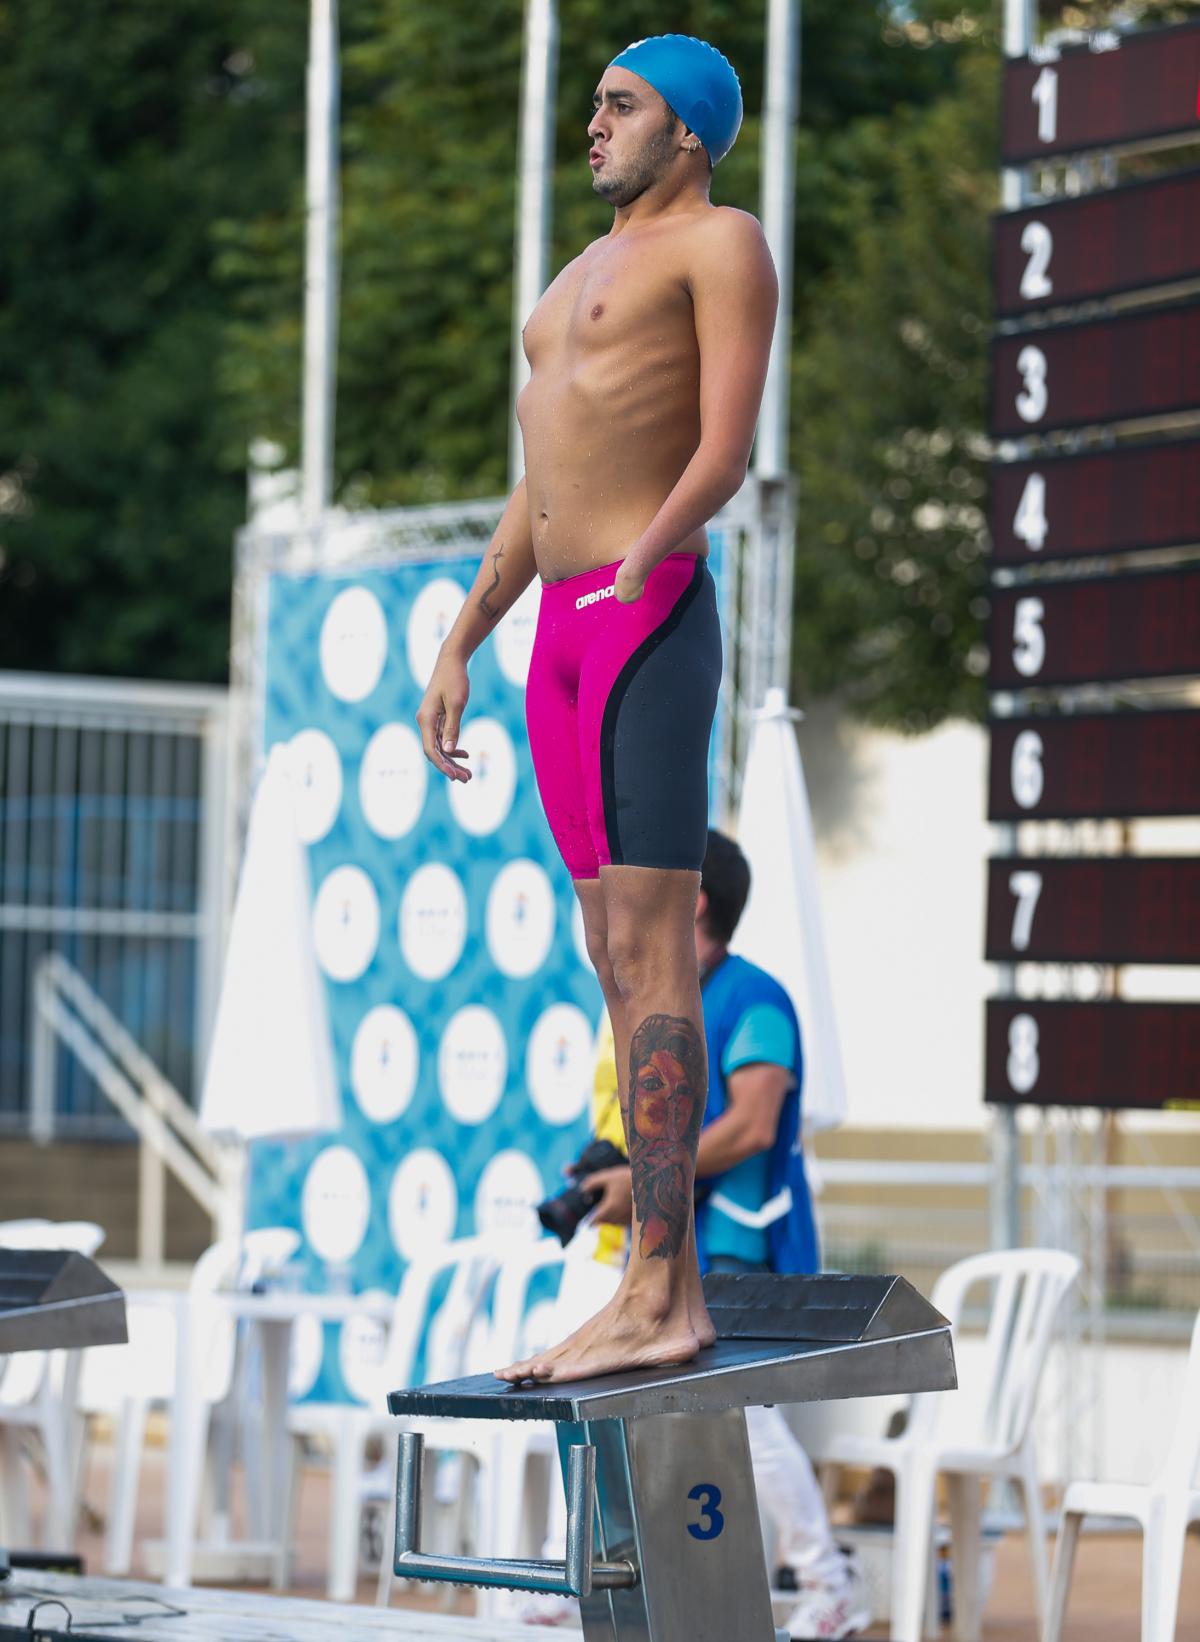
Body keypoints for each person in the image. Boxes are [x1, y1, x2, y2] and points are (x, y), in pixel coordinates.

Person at [417, 34, 777, 1384]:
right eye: (595, 104)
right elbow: (542, 479)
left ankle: (665, 1290)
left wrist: (647, 554)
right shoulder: (574, 279)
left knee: (659, 949)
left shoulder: (720, 241)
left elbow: (724, 445)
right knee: (611, 954)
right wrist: (465, 634)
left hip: (644, 603)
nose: (596, 124)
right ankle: (646, 1281)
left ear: (687, 130)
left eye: (622, 105)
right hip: (558, 630)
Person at [517, 830, 871, 1637]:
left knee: (741, 1417)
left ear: (694, 897)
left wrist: (642, 1182)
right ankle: (582, 1569)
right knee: (607, 1399)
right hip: (673, 1247)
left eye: (650, 872)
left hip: (739, 1246)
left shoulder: (757, 997)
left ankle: (830, 1579)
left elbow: (753, 1124)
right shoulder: (670, 995)